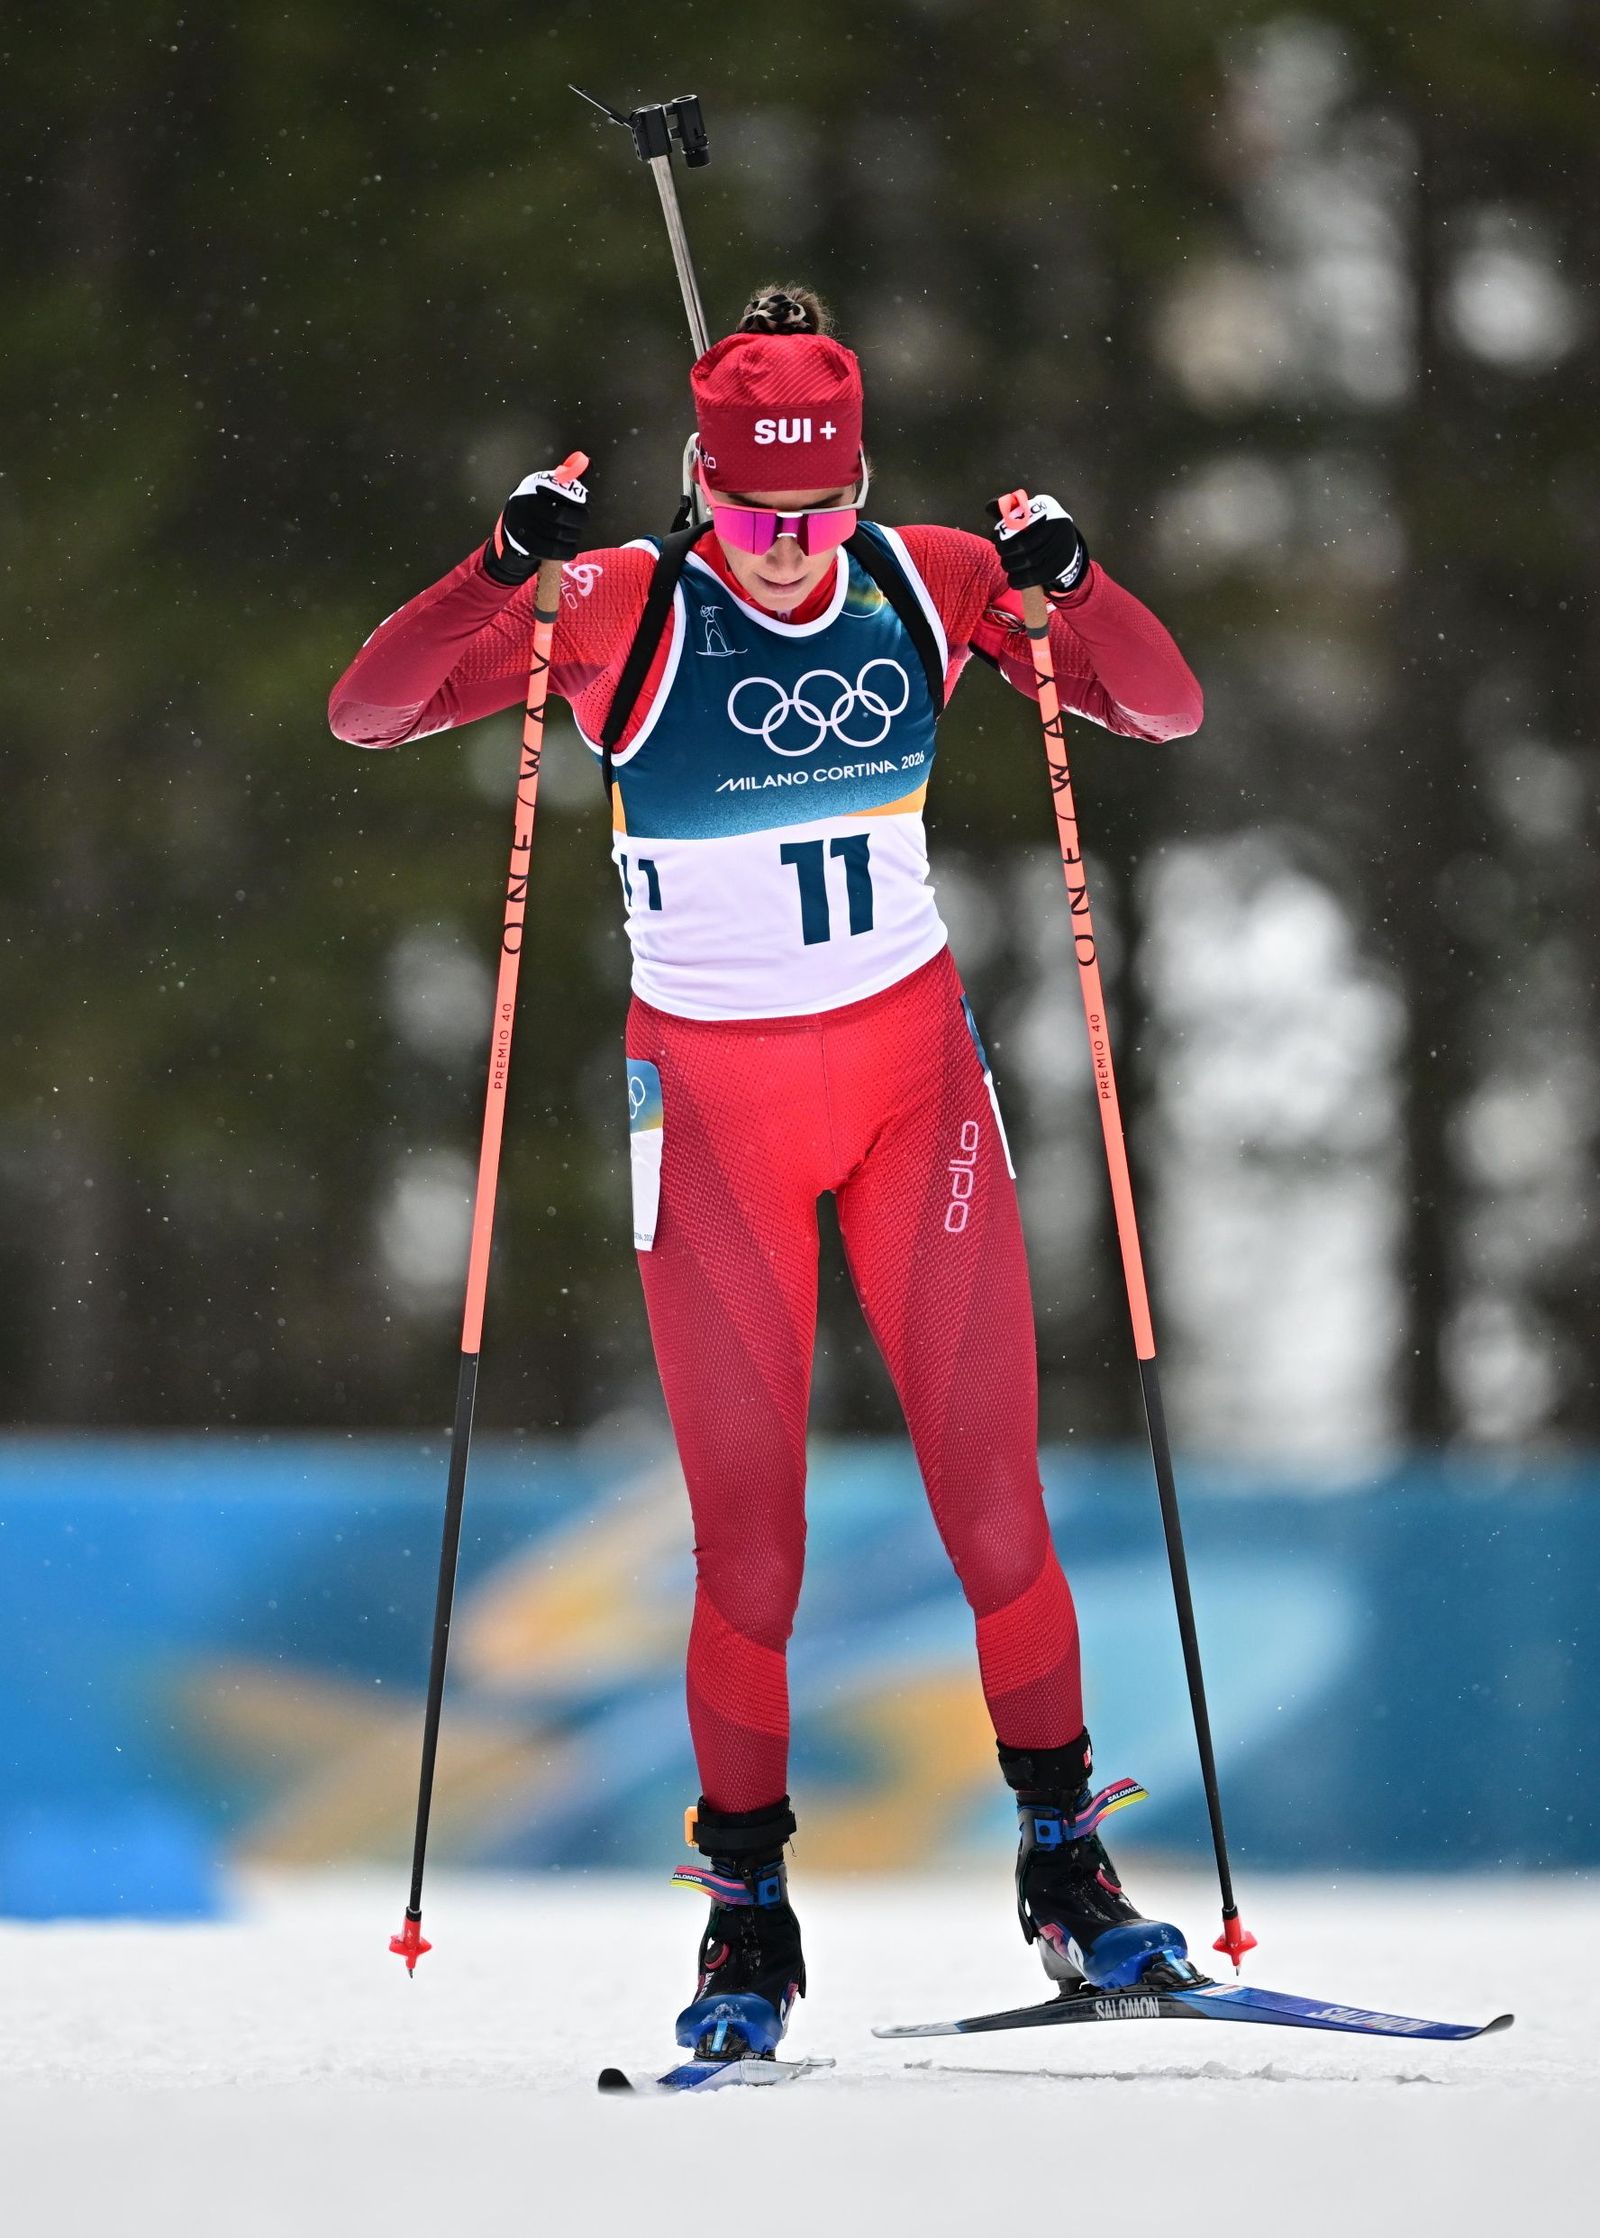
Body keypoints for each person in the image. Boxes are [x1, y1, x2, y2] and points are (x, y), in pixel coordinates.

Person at [330, 285, 1205, 2062]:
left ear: (863, 483)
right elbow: (375, 706)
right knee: (749, 1550)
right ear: (695, 491)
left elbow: (1165, 709)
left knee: (998, 1515)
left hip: (913, 1095)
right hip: (715, 1116)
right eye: (748, 515)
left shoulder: (925, 580)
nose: (789, 553)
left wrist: (1073, 581)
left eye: (815, 514)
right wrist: (500, 562)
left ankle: (1066, 1869)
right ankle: (746, 1918)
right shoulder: (626, 610)